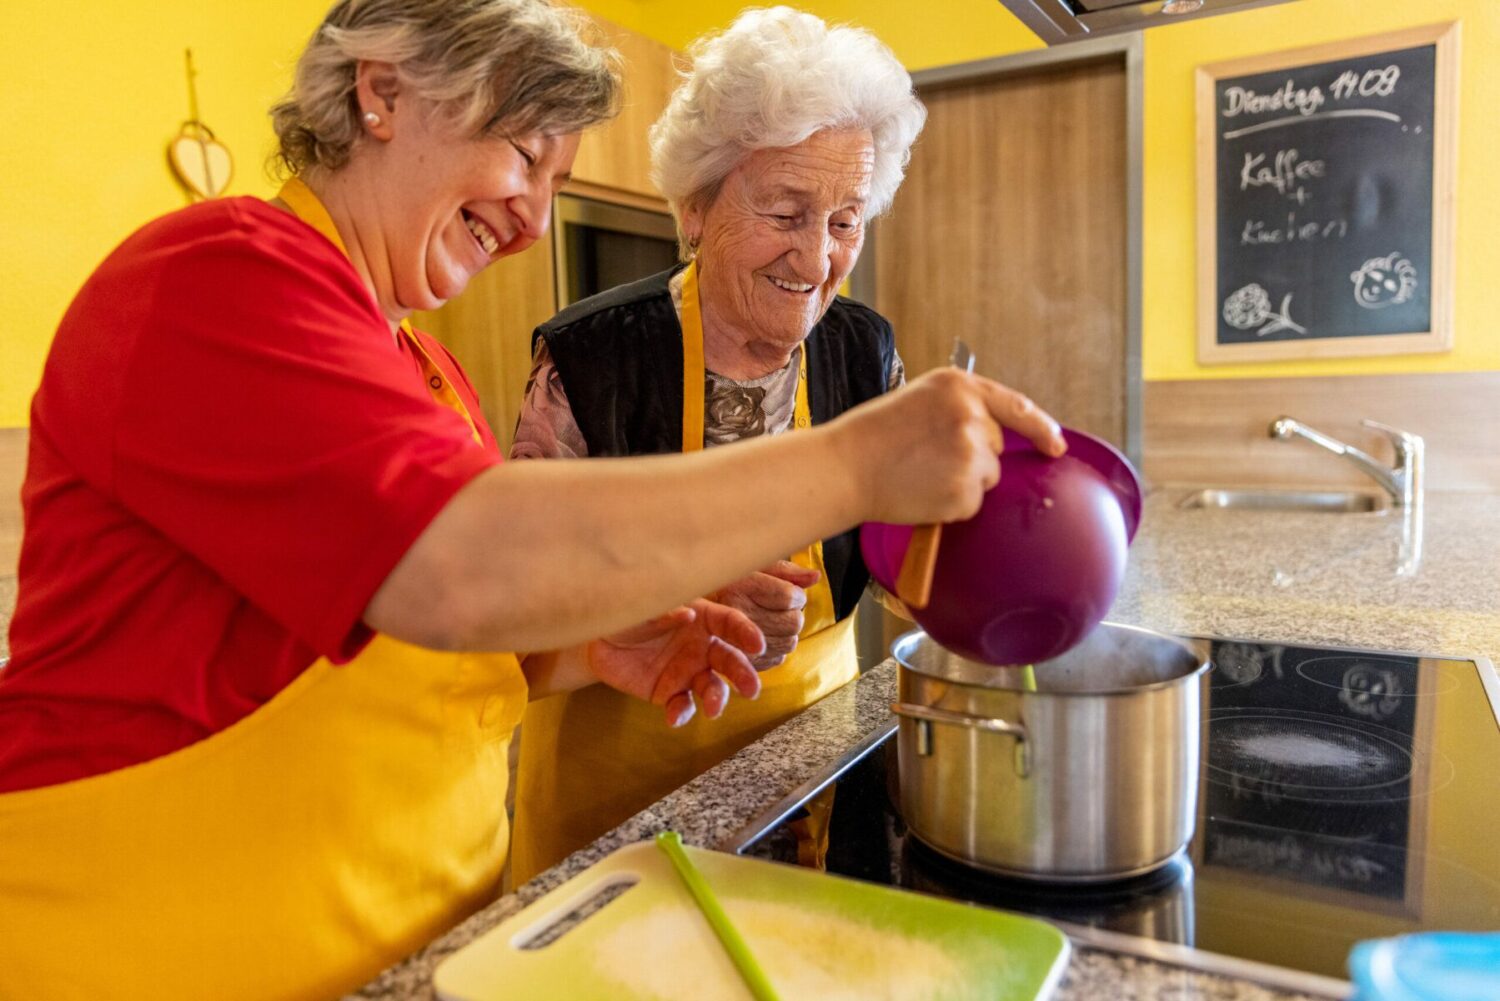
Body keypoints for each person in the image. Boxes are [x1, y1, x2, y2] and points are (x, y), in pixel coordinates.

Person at [0, 1, 1064, 998]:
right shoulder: (220, 274)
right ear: (381, 92)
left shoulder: (419, 367)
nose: (533, 222)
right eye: (523, 154)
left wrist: (595, 646)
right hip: (160, 954)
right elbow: (457, 566)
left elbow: (418, 644)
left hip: (419, 950)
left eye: (557, 178)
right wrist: (856, 463)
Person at [509, 7, 927, 882]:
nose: (817, 258)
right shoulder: (591, 358)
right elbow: (512, 608)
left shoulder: (865, 349)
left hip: (807, 777)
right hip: (619, 796)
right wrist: (672, 587)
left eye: (846, 220)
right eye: (784, 211)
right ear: (696, 207)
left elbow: (905, 556)